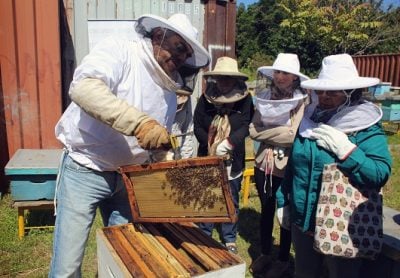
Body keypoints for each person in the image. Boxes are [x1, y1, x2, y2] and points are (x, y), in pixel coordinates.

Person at [49, 13, 210, 277]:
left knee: (122, 260)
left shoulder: (169, 90)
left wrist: (166, 164)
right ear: (159, 36)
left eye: (186, 54)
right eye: (179, 48)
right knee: (67, 266)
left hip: (128, 179)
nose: (181, 58)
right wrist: (138, 123)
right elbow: (84, 88)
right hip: (85, 169)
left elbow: (156, 144)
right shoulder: (121, 49)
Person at [276, 53, 392, 278]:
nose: (325, 97)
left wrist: (348, 151)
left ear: (351, 93)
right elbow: (294, 164)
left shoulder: (365, 127)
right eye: (321, 91)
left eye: (333, 91)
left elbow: (380, 173)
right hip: (303, 220)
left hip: (342, 223)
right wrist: (284, 200)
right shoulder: (311, 117)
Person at [249, 53, 309, 277]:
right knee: (266, 210)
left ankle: (283, 259)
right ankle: (265, 253)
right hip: (264, 163)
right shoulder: (265, 97)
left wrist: (267, 135)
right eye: (277, 72)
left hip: (287, 166)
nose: (280, 76)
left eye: (285, 73)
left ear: (295, 77)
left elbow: (294, 135)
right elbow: (252, 130)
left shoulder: (303, 101)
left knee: (285, 213)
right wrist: (279, 133)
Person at [193, 56, 254, 254]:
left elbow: (246, 125)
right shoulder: (205, 98)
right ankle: (204, 233)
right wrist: (210, 144)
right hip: (208, 156)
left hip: (232, 158)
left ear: (235, 80)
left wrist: (229, 142)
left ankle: (229, 237)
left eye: (228, 78)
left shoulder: (245, 99)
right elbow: (198, 125)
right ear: (215, 78)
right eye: (220, 78)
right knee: (207, 196)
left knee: (230, 197)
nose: (224, 81)